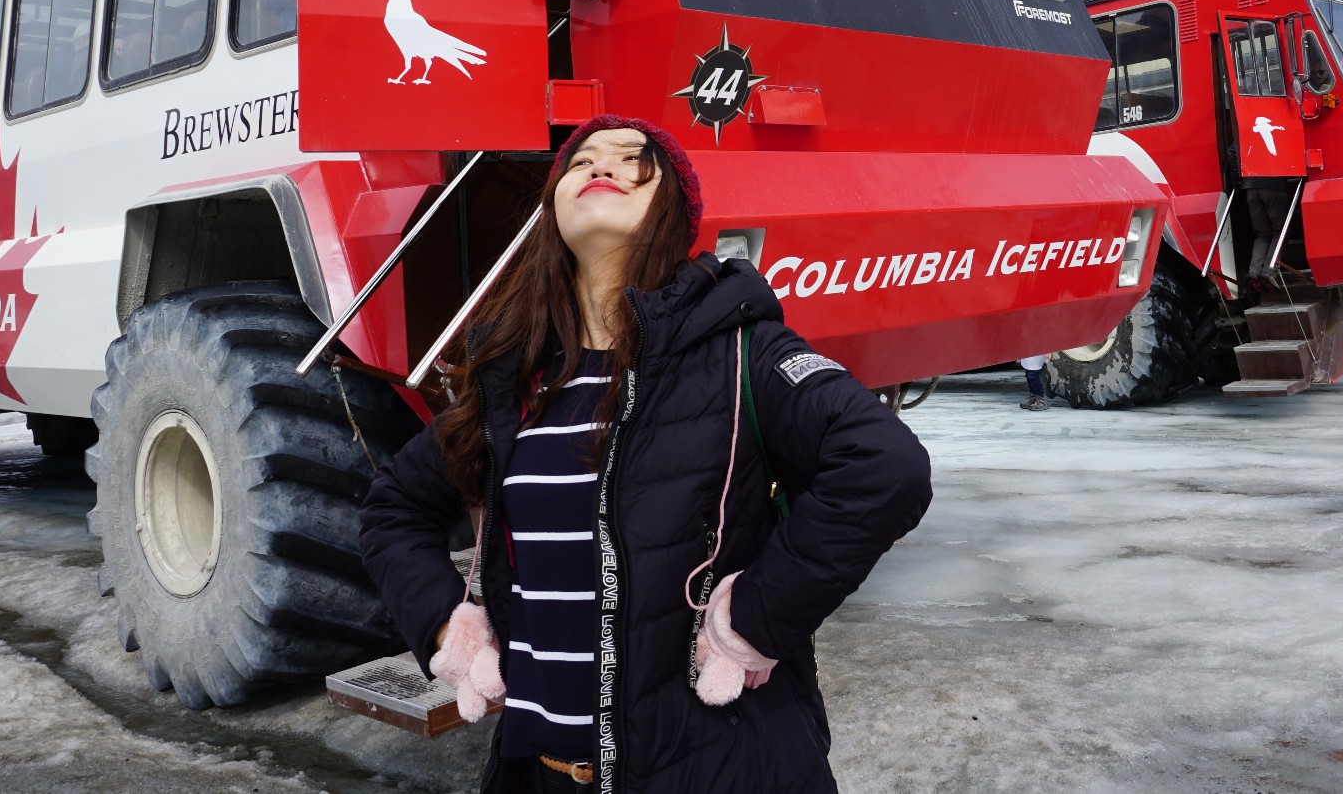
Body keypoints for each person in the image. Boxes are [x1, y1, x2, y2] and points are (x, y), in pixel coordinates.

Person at [358, 115, 933, 793]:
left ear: (673, 210)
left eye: (636, 160)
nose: (604, 165)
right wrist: (444, 623)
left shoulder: (740, 348)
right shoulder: (512, 383)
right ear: (552, 210)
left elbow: (884, 465)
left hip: (721, 771)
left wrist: (756, 615)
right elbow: (392, 507)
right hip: (542, 774)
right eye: (581, 160)